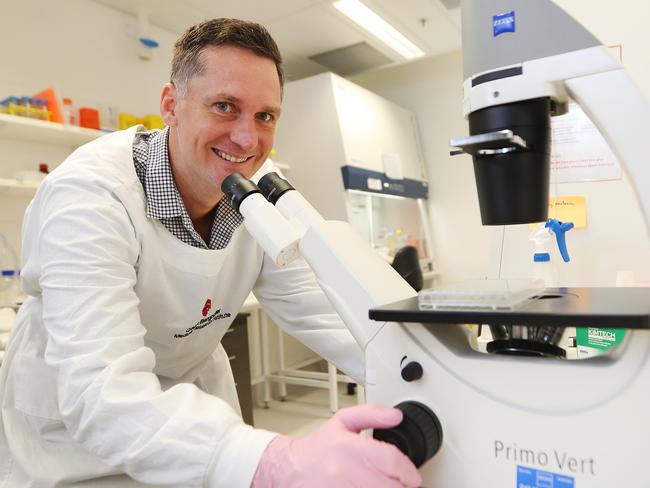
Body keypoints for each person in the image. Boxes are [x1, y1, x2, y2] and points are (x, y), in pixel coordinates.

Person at [0, 18, 422, 488]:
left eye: (265, 116)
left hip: (190, 415)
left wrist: (434, 369)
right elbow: (104, 391)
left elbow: (331, 312)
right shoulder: (89, 197)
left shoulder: (253, 191)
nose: (247, 139)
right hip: (71, 443)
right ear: (170, 106)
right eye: (225, 107)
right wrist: (278, 462)